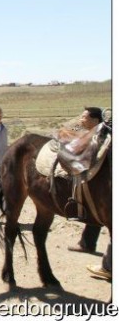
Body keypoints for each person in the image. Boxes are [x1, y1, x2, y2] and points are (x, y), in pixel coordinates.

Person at [65, 107, 103, 254]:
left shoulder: (99, 137)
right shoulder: (83, 130)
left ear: (94, 121)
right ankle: (87, 243)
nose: (81, 119)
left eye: (84, 117)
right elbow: (66, 132)